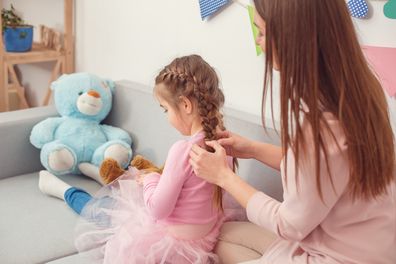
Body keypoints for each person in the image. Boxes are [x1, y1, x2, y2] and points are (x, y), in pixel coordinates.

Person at [189, 0, 396, 263]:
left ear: (290, 38)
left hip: (338, 255)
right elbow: (324, 171)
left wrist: (224, 177)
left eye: (262, 32)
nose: (260, 42)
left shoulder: (320, 125)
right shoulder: (359, 90)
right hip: (371, 243)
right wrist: (253, 149)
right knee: (221, 237)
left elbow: (290, 224)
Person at [39, 54, 244, 263]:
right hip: (202, 240)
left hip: (169, 243)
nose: (167, 116)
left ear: (185, 105)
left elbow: (157, 209)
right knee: (127, 185)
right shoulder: (223, 143)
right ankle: (94, 171)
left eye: (165, 109)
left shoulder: (183, 150)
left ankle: (63, 190)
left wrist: (150, 180)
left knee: (105, 210)